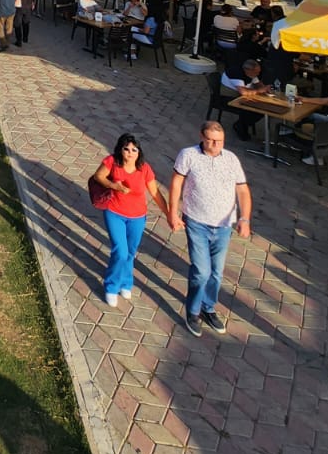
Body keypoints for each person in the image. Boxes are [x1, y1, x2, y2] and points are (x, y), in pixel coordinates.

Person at [168, 121, 253, 337]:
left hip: (224, 225)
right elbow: (177, 182)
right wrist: (173, 212)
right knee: (201, 271)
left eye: (220, 141)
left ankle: (208, 307)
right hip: (196, 221)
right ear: (202, 137)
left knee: (216, 273)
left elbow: (242, 190)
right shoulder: (188, 155)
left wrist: (244, 218)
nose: (215, 145)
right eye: (211, 141)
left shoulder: (231, 159)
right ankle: (193, 311)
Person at [90, 133, 170, 307]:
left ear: (139, 151)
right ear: (120, 149)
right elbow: (99, 177)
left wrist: (169, 214)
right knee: (120, 251)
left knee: (130, 252)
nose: (130, 153)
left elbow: (155, 193)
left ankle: (126, 282)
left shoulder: (145, 168)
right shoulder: (112, 161)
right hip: (115, 213)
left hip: (137, 217)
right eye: (126, 149)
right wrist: (114, 186)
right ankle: (111, 286)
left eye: (134, 149)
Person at [220, 58, 265, 141]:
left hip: (239, 97)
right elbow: (243, 92)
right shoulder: (236, 73)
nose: (258, 73)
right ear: (248, 70)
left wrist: (264, 88)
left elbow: (258, 84)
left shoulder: (251, 74)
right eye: (257, 72)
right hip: (228, 98)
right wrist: (259, 90)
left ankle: (242, 124)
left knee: (262, 110)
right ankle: (240, 126)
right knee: (255, 110)